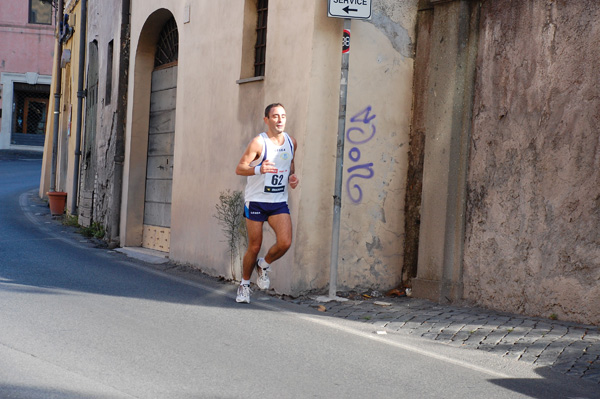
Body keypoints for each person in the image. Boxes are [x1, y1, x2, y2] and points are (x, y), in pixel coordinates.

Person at [234, 103, 299, 303]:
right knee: (254, 246)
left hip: (278, 201)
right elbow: (240, 168)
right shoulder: (258, 143)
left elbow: (290, 164)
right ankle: (244, 285)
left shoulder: (291, 142)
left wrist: (292, 178)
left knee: (285, 242)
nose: (280, 120)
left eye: (283, 116)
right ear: (267, 120)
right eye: (275, 116)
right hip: (256, 201)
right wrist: (258, 169)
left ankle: (263, 265)